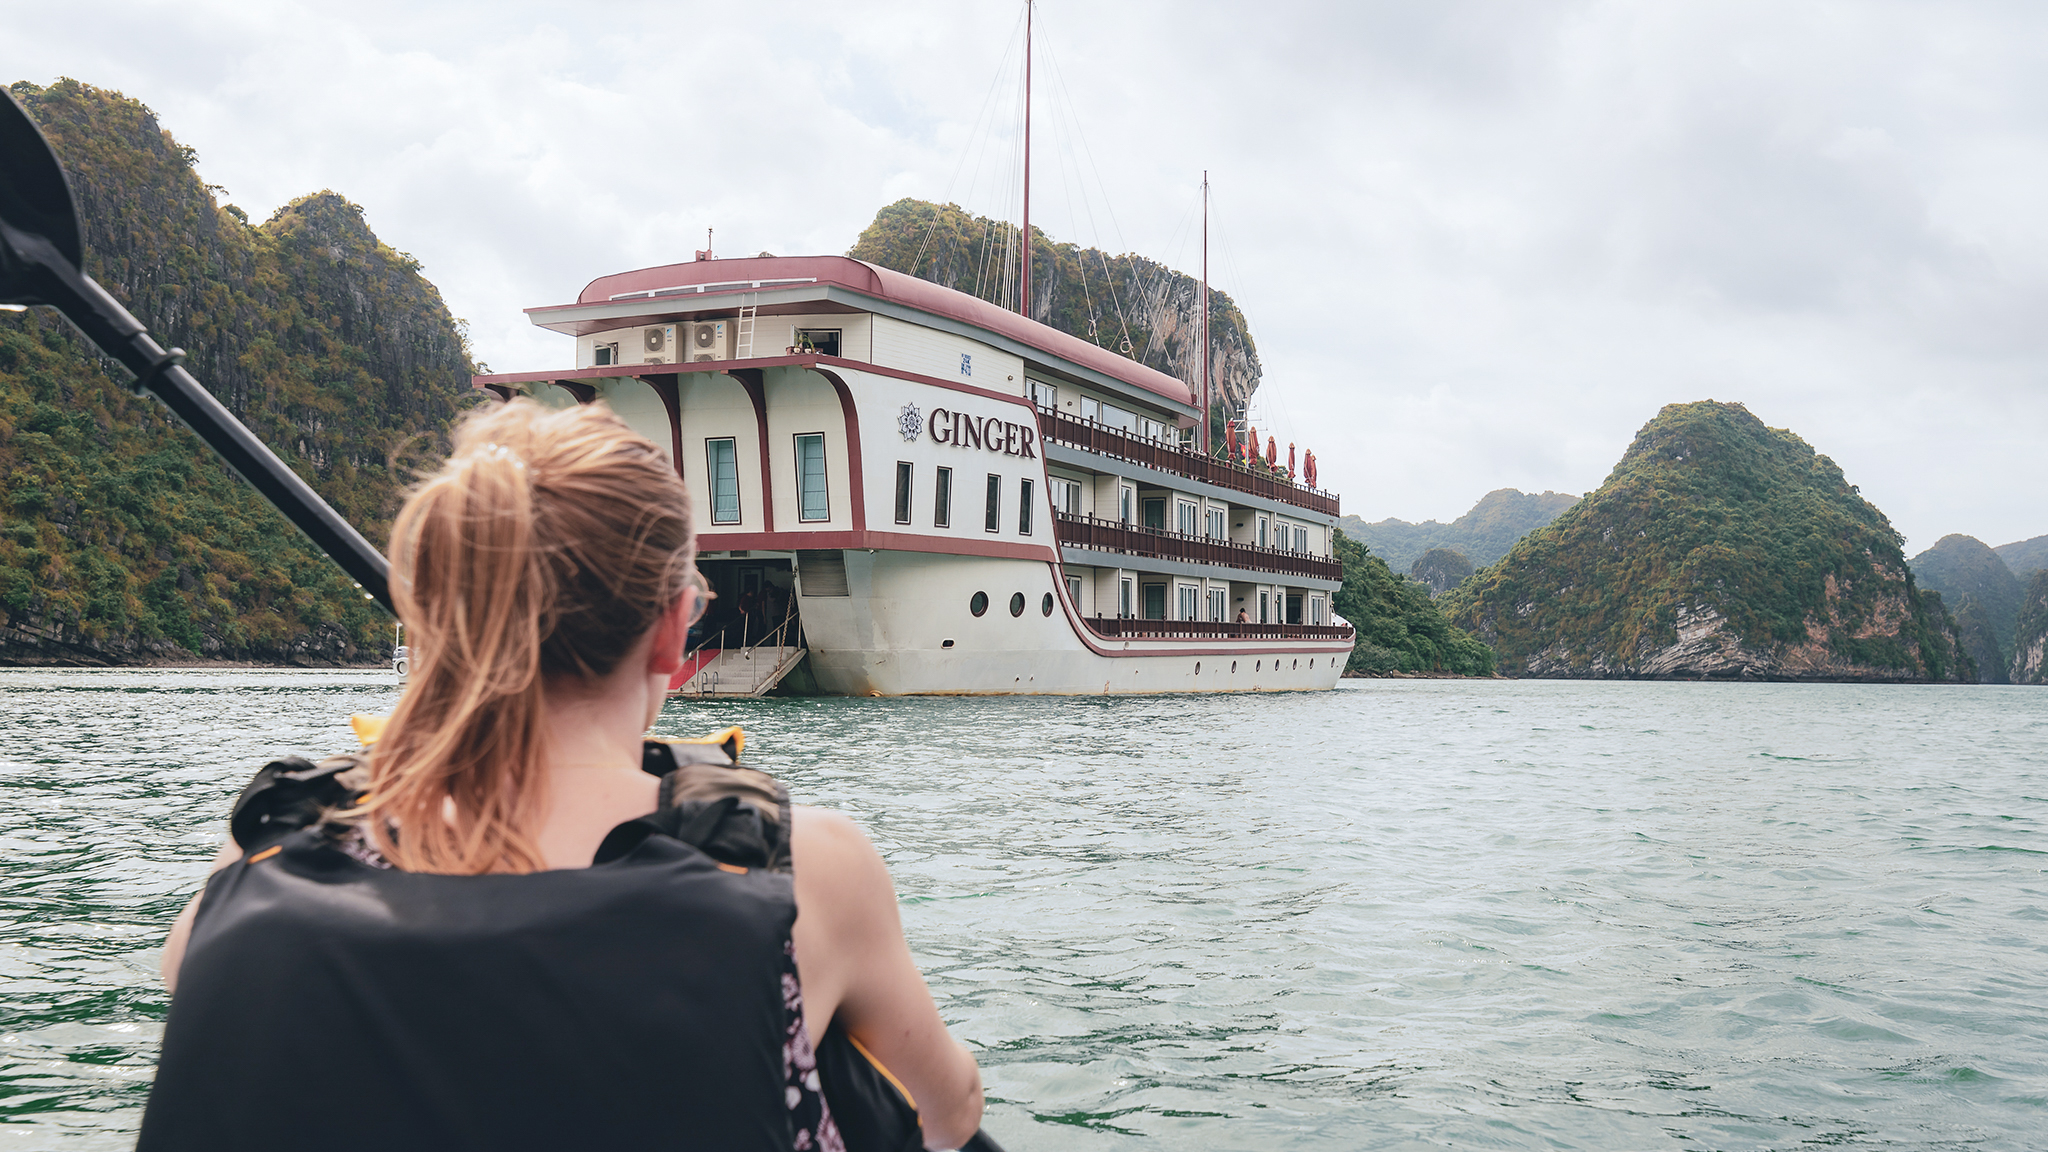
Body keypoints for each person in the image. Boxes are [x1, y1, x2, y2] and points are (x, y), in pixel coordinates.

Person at [145, 400, 984, 1151]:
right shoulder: (800, 868)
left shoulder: (272, 839)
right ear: (671, 630)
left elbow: (188, 981)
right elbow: (948, 1118)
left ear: (440, 618)